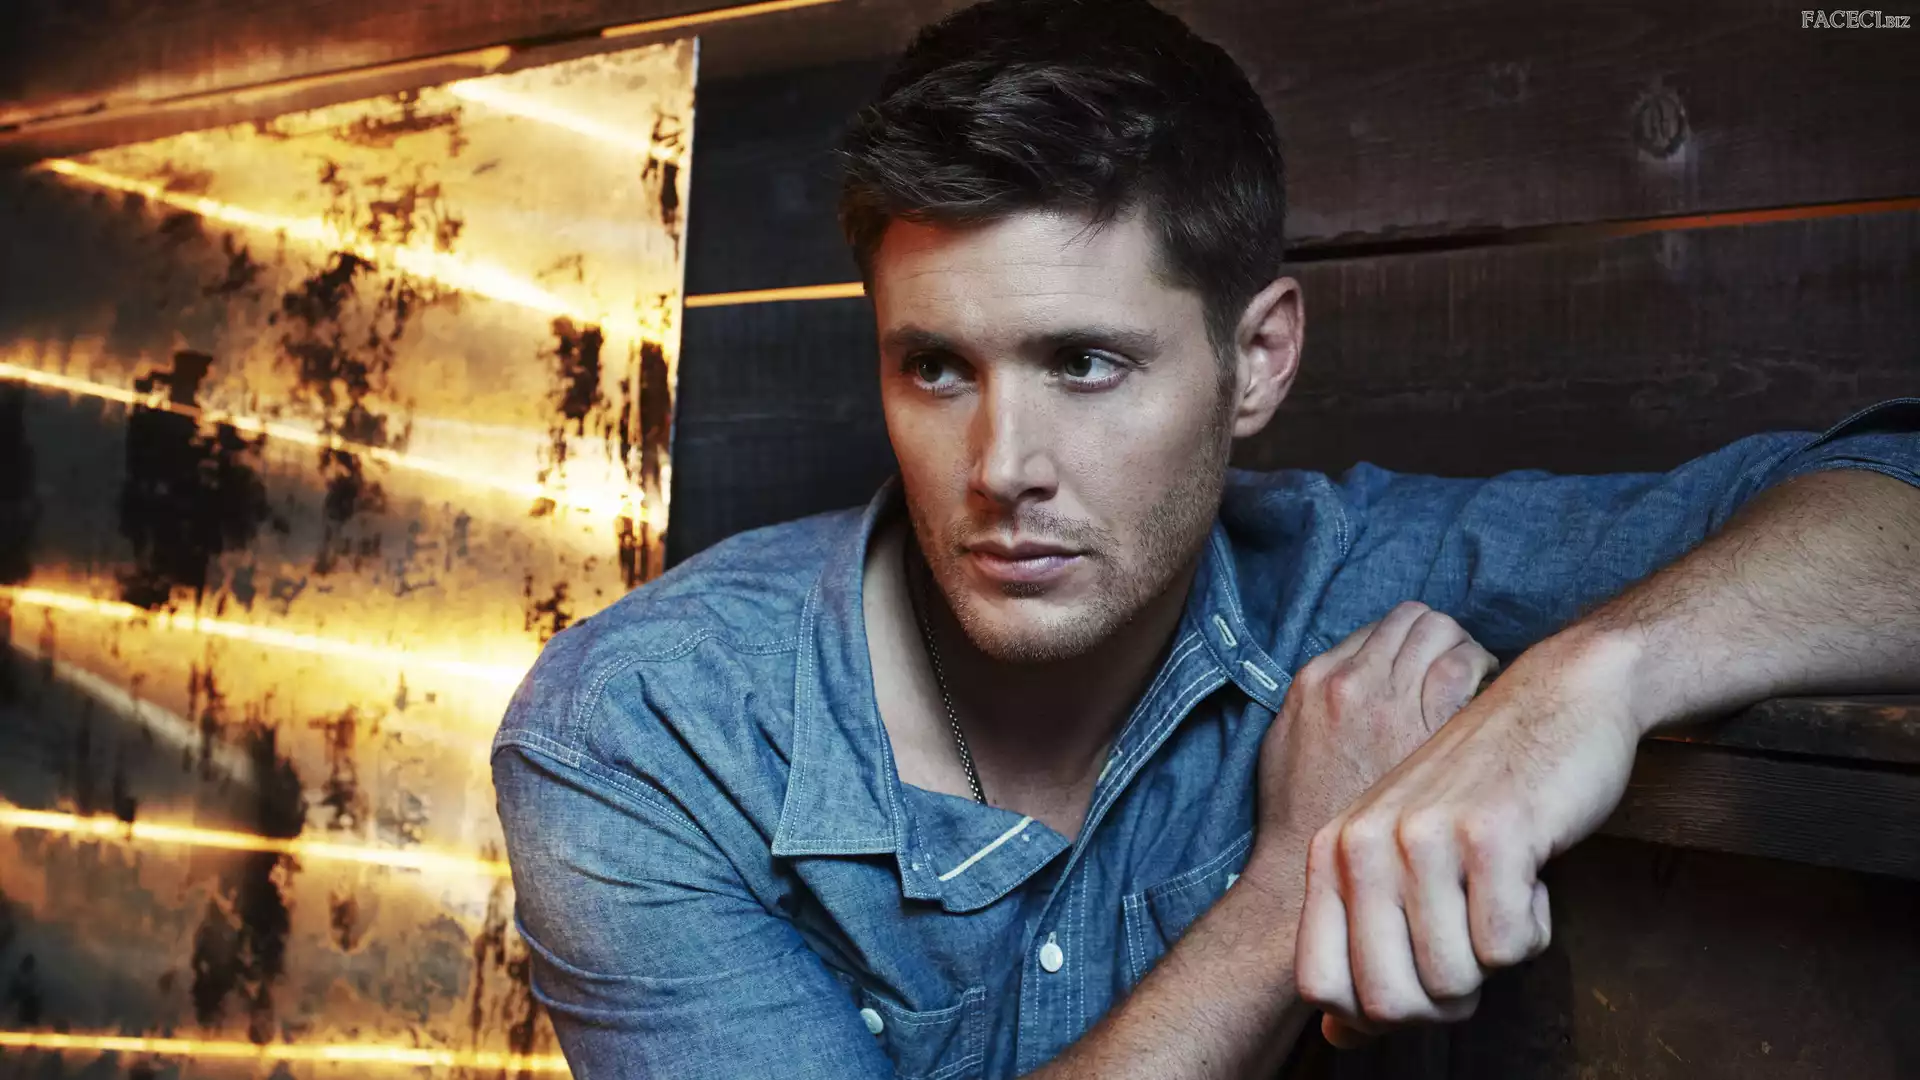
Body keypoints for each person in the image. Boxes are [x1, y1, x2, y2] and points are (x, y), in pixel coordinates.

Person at [491, 0, 1920, 1076]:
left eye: (1086, 364)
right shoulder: (642, 728)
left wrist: (1587, 684)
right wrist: (1287, 885)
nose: (1003, 468)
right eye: (936, 368)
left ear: (1259, 362)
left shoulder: (1354, 580)